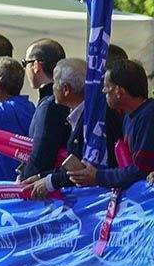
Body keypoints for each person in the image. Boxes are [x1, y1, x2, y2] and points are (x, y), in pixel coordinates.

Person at [66, 60, 154, 190]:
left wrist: (98, 176)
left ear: (119, 92)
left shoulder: (148, 116)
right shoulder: (129, 117)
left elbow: (141, 171)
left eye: (107, 88)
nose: (103, 91)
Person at [24, 58, 86, 199]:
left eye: (55, 83)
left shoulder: (89, 121)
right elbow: (74, 165)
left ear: (65, 89)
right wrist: (41, 176)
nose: (52, 87)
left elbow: (84, 169)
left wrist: (50, 182)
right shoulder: (77, 115)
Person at [18, 39, 69, 181]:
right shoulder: (64, 99)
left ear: (36, 65)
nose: (24, 69)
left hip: (49, 191)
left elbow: (41, 156)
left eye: (24, 63)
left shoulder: (50, 105)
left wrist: (23, 180)